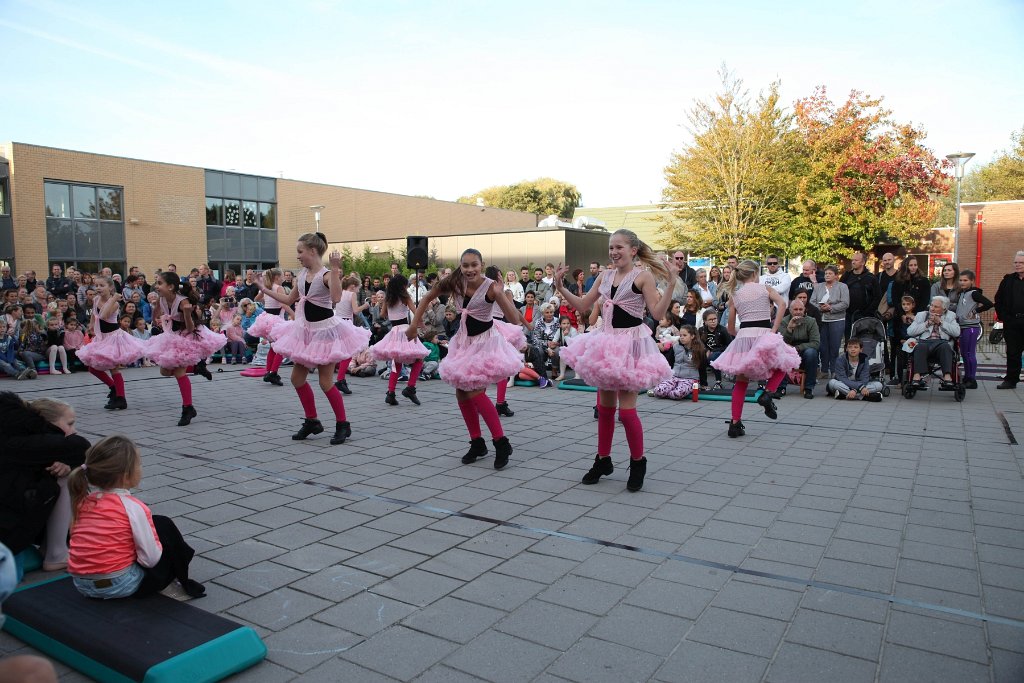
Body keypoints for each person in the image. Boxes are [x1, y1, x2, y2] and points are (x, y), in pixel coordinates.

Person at [555, 229, 679, 492]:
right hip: (606, 343)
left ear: (633, 250)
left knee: (627, 411)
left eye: (619, 247)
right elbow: (583, 305)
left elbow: (656, 312)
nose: (614, 252)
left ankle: (638, 462)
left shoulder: (642, 276)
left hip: (631, 346)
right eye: (611, 247)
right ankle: (603, 459)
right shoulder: (605, 275)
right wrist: (559, 287)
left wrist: (670, 284)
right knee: (605, 408)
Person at [408, 249, 523, 469]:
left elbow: (514, 319)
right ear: (460, 266)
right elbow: (427, 297)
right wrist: (415, 324)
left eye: (474, 265)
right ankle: (477, 442)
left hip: (484, 343)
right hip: (464, 342)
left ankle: (501, 442)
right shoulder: (455, 281)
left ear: (482, 264)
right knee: (461, 391)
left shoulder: (490, 287)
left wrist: (500, 293)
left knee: (474, 392)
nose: (470, 270)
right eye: (466, 265)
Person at [67, 436, 204, 600]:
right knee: (163, 528)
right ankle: (172, 587)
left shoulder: (84, 501)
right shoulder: (132, 507)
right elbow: (150, 560)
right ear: (126, 476)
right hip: (121, 584)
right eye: (139, 464)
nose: (141, 467)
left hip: (81, 584)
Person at [261, 233, 364, 444]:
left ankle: (343, 424)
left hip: (325, 333)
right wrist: (264, 290)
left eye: (300, 252)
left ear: (312, 251)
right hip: (305, 333)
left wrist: (335, 269)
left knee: (325, 382)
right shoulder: (301, 275)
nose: (298, 256)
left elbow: (336, 298)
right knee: (296, 379)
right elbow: (289, 299)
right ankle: (312, 421)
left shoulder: (326, 275)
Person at [0, 394, 89, 572]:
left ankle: (53, 548)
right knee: (66, 476)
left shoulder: (14, 437)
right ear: (47, 424)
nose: (74, 430)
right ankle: (56, 553)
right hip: (8, 534)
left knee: (64, 470)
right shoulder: (20, 444)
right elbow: (82, 447)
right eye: (69, 424)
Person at [712, 259, 800, 438]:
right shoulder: (764, 289)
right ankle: (767, 393)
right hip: (764, 334)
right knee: (784, 364)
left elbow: (729, 329)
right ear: (754, 274)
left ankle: (735, 423)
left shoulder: (734, 295)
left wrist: (742, 335)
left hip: (744, 334)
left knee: (741, 381)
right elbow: (782, 304)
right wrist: (774, 329)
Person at [146, 272, 225, 426]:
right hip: (171, 335)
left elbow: (190, 328)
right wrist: (157, 314)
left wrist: (188, 314)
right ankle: (197, 367)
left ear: (170, 287)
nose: (157, 286)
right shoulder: (161, 299)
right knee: (165, 371)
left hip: (186, 336)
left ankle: (188, 408)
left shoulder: (183, 302)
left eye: (159, 283)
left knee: (179, 372)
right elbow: (156, 316)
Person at [77, 275, 146, 409]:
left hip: (113, 337)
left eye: (102, 285)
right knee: (92, 367)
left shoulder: (114, 303)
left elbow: (103, 315)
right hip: (101, 337)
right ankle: (113, 387)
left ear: (110, 288)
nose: (98, 288)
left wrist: (114, 298)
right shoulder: (96, 299)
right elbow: (94, 315)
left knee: (113, 368)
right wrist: (91, 326)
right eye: (96, 285)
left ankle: (121, 398)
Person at [370, 274, 429, 407]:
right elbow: (416, 311)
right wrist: (421, 324)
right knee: (419, 358)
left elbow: (382, 315)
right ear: (402, 286)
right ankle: (410, 388)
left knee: (396, 363)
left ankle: (390, 393)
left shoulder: (388, 298)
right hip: (405, 330)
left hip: (394, 331)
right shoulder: (405, 296)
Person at [485, 265, 527, 417]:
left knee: (484, 364)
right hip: (497, 327)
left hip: (485, 328)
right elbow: (513, 313)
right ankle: (500, 403)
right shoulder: (503, 292)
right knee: (500, 365)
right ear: (499, 276)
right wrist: (526, 324)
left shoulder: (481, 291)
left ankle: (480, 401)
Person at [249, 268, 292, 387]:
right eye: (282, 275)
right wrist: (293, 314)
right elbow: (283, 303)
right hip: (277, 319)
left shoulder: (267, 287)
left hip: (267, 319)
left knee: (273, 348)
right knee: (281, 348)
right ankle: (273, 372)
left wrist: (267, 299)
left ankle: (268, 371)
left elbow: (256, 299)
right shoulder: (279, 288)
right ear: (277, 277)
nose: (284, 277)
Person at [906, 295, 960, 386]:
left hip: (941, 343)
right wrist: (927, 324)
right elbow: (910, 332)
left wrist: (941, 322)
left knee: (945, 347)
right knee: (919, 346)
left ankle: (947, 376)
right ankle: (917, 376)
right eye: (931, 305)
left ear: (944, 309)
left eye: (936, 306)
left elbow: (956, 332)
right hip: (924, 342)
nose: (932, 308)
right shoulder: (921, 315)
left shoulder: (951, 316)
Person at [332, 276, 371, 394]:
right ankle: (340, 380)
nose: (358, 290)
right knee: (348, 353)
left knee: (344, 352)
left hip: (338, 322)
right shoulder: (351, 294)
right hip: (346, 324)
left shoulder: (341, 292)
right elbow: (355, 311)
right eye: (358, 287)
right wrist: (365, 306)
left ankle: (340, 378)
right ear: (353, 286)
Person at [810, 266, 849, 379]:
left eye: (830, 273)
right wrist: (820, 308)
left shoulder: (842, 286)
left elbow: (845, 303)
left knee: (834, 346)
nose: (827, 275)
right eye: (826, 273)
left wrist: (831, 308)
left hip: (837, 319)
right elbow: (812, 301)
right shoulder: (819, 287)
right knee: (823, 346)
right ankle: (824, 370)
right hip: (821, 320)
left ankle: (834, 370)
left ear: (836, 275)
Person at [650, 324, 707, 399]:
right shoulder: (676, 346)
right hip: (674, 376)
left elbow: (702, 367)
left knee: (677, 394)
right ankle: (668, 390)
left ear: (692, 336)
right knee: (659, 390)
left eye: (684, 335)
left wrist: (703, 383)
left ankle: (673, 391)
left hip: (690, 379)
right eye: (680, 335)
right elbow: (669, 362)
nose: (682, 337)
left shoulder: (699, 350)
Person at [994, 250, 1024, 390]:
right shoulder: (1008, 280)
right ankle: (1011, 380)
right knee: (1012, 353)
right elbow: (998, 299)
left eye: (1021, 263)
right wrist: (1003, 317)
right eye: (1016, 262)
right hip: (1012, 322)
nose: (1017, 265)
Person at [780, 298, 819, 399]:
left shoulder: (811, 321)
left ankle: (809, 388)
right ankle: (781, 387)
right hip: (788, 351)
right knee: (780, 353)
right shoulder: (784, 321)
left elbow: (815, 343)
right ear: (790, 310)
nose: (798, 312)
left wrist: (797, 348)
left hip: (804, 351)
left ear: (804, 310)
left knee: (812, 353)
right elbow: (781, 342)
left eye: (800, 309)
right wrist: (789, 329)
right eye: (795, 309)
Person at [840, 251, 878, 339]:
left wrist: (867, 312)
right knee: (849, 341)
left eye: (856, 260)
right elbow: (839, 292)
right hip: (848, 315)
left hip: (864, 316)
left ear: (863, 262)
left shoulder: (871, 278)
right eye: (852, 260)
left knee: (863, 341)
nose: (853, 262)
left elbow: (877, 298)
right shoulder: (846, 276)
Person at [698, 308, 732, 388]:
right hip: (706, 352)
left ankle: (718, 382)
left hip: (721, 353)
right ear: (705, 321)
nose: (713, 321)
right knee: (700, 359)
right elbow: (699, 344)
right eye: (710, 319)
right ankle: (703, 383)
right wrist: (706, 350)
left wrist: (714, 351)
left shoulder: (722, 330)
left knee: (713, 358)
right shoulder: (701, 330)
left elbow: (730, 345)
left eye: (715, 319)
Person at [551, 315, 579, 381]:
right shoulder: (559, 331)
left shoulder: (573, 331)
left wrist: (566, 335)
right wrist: (552, 344)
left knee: (575, 357)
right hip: (567, 350)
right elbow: (554, 340)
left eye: (568, 323)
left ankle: (577, 376)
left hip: (576, 350)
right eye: (564, 323)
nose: (566, 325)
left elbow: (572, 345)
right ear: (560, 325)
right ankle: (562, 375)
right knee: (562, 355)